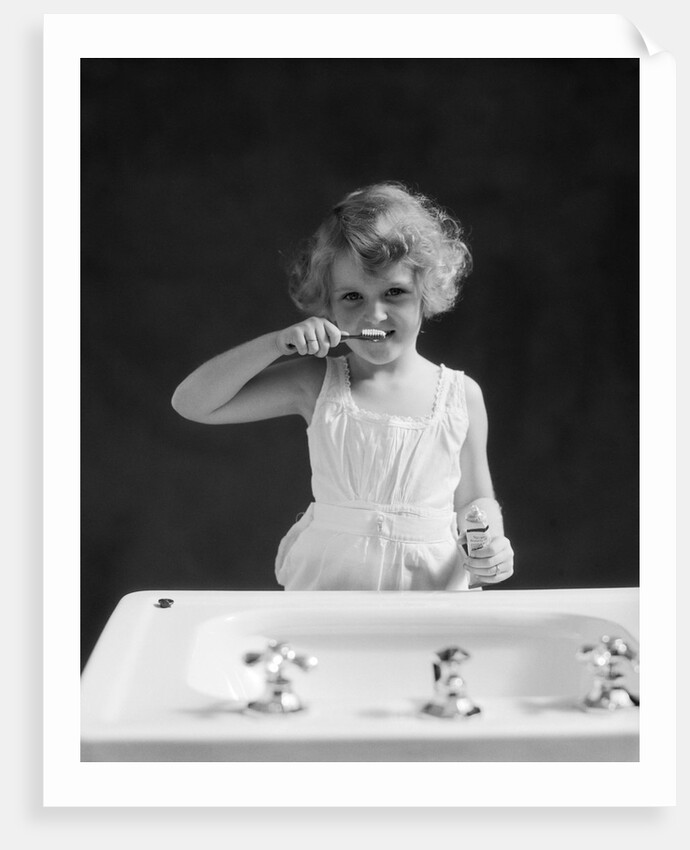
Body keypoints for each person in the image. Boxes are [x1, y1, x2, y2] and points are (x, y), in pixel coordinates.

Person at [171, 182, 514, 591]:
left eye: (394, 292)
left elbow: (475, 499)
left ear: (427, 292)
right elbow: (192, 403)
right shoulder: (315, 383)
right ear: (328, 305)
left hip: (431, 592)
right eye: (352, 296)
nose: (374, 313)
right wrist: (275, 344)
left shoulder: (462, 395)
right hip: (329, 588)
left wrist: (490, 541)